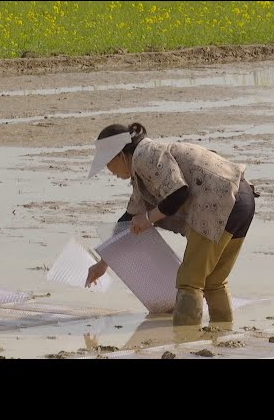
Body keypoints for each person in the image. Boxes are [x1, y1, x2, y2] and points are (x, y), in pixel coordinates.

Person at [84, 122, 257, 326]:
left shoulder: (144, 155)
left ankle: (185, 342)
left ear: (120, 155)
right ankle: (222, 336)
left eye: (107, 163)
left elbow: (178, 193)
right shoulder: (143, 169)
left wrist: (148, 219)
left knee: (189, 282)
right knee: (213, 281)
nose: (109, 171)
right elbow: (128, 220)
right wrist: (104, 263)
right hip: (243, 200)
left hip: (218, 204)